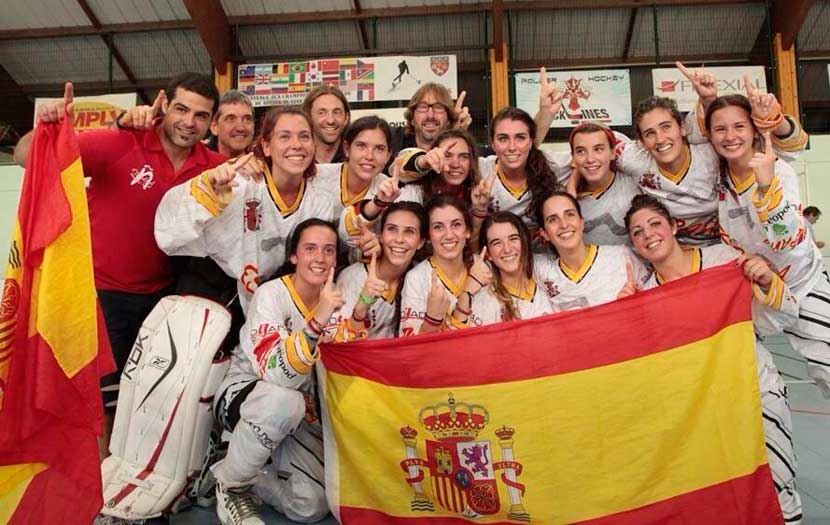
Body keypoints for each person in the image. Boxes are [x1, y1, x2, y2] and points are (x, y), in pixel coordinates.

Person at [13, 74, 225, 453]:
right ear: (164, 106)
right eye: (181, 109)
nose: (189, 122)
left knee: (151, 401)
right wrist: (48, 127)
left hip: (165, 300)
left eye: (201, 115)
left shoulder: (214, 166)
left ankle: (134, 484)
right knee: (105, 405)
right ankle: (102, 495)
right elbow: (25, 156)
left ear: (211, 123)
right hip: (103, 295)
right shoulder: (119, 142)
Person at [624, 194, 803, 525]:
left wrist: (765, 280)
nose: (648, 234)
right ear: (634, 246)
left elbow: (785, 316)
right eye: (637, 232)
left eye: (654, 224)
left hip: (754, 391)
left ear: (674, 226)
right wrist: (627, 317)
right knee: (724, 498)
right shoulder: (645, 295)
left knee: (777, 486)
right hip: (702, 411)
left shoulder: (724, 260)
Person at [211, 219, 341, 525]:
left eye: (328, 250)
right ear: (293, 256)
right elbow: (277, 374)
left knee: (310, 506)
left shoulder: (338, 299)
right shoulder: (271, 294)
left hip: (301, 412)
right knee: (283, 401)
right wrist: (317, 320)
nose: (320, 258)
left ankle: (230, 468)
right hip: (245, 395)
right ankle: (232, 487)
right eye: (310, 249)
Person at [704, 94, 830, 400]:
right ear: (709, 135)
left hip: (803, 284)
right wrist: (706, 98)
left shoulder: (777, 171)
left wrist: (766, 187)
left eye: (739, 126)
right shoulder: (715, 178)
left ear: (753, 130)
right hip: (756, 294)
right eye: (720, 129)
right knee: (749, 383)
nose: (730, 136)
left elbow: (786, 238)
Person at [155, 107, 340, 311]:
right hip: (215, 292)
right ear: (266, 146)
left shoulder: (320, 199)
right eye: (285, 137)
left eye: (304, 137)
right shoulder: (239, 183)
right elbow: (168, 235)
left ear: (314, 145)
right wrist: (209, 189)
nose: (296, 145)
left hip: (279, 299)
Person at [532, 190, 649, 311]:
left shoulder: (621, 257)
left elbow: (655, 305)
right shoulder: (543, 275)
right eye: (553, 219)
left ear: (582, 222)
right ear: (544, 233)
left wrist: (637, 303)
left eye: (570, 214)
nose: (564, 224)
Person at [328, 202, 427, 341]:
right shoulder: (353, 277)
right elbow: (335, 343)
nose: (399, 239)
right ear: (380, 235)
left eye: (409, 232)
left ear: (421, 242)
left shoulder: (422, 276)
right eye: (392, 229)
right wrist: (362, 306)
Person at [399, 195, 486, 336]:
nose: (449, 235)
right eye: (438, 227)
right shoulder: (417, 278)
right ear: (428, 236)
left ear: (468, 231)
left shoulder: (483, 268)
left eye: (456, 224)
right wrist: (431, 321)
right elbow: (409, 348)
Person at [457, 212, 553, 327]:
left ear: (524, 242)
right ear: (488, 254)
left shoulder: (547, 273)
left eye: (513, 239)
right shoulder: (486, 301)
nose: (507, 249)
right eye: (497, 243)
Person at [566, 122, 641, 246]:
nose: (590, 159)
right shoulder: (563, 196)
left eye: (598, 149)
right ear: (573, 157)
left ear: (612, 153)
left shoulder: (635, 183)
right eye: (581, 151)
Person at [389, 82, 471, 162]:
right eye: (423, 107)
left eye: (438, 107)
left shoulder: (459, 152)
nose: (430, 116)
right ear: (412, 118)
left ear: (449, 120)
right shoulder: (392, 140)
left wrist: (456, 134)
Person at [303, 85, 350, 164]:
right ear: (309, 117)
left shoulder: (356, 159)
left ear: (346, 118)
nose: (330, 120)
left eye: (336, 112)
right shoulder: (297, 156)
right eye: (322, 113)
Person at [208, 89, 255, 158]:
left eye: (247, 119)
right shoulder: (199, 165)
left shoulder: (263, 165)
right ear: (214, 127)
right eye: (231, 119)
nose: (240, 128)